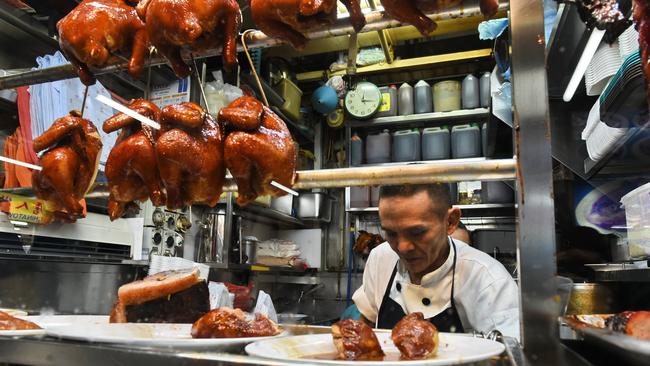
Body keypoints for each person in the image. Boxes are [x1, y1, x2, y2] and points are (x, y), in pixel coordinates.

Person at [352, 183, 520, 338]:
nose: (403, 248)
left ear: (450, 222)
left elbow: (507, 354)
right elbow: (367, 321)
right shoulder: (381, 258)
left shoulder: (488, 281)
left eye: (417, 232)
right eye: (391, 233)